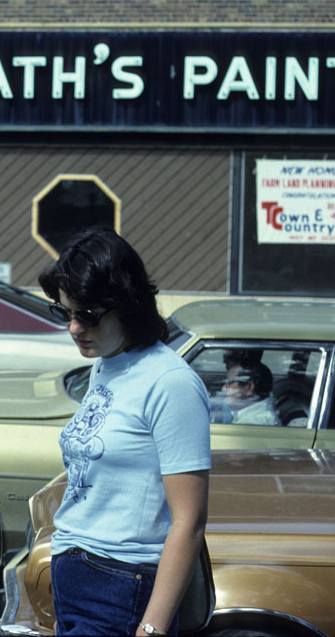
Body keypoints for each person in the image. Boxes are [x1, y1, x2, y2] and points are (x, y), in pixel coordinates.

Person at [38, 227, 210, 637]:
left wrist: (151, 627)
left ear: (127, 305)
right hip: (75, 579)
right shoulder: (106, 363)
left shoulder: (170, 383)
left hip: (120, 587)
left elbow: (189, 521)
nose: (74, 328)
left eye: (88, 315)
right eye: (65, 313)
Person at [221, 354, 279, 426]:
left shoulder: (252, 422)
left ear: (248, 387)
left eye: (229, 383)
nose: (223, 388)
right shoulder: (255, 415)